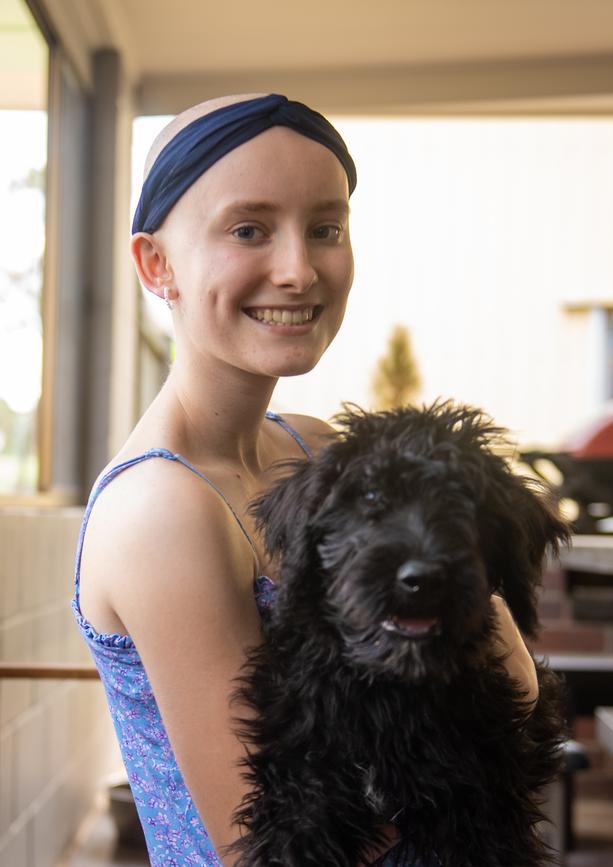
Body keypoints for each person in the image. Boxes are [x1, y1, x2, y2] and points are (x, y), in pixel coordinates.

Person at [71, 93, 539, 867]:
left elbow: (517, 686)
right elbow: (272, 843)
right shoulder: (163, 507)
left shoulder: (317, 447)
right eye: (248, 229)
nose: (298, 269)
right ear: (157, 264)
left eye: (325, 228)